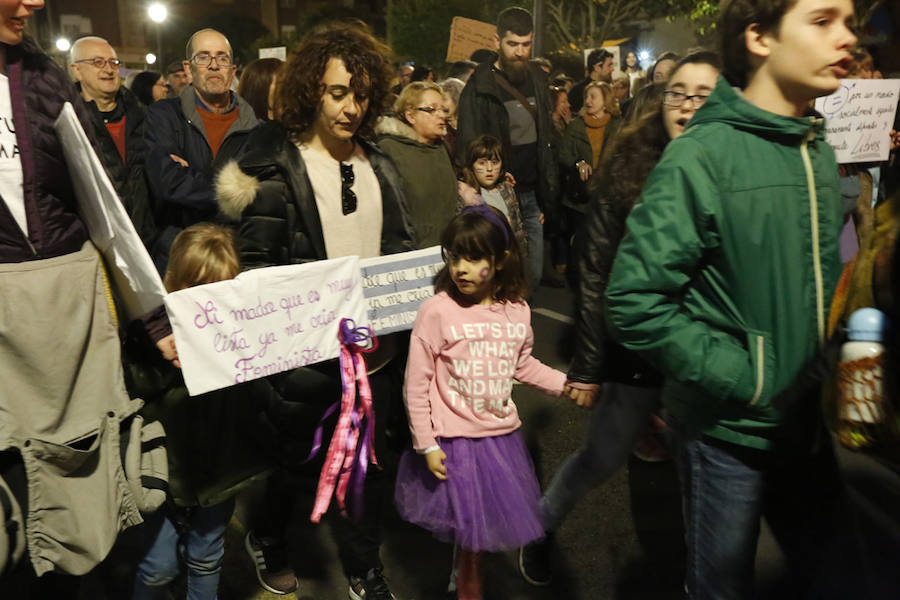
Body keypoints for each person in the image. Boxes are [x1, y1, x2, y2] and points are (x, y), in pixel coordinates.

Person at [604, 0, 866, 597]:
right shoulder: (702, 155)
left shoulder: (816, 151)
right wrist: (748, 376)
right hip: (726, 436)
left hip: (805, 426)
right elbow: (633, 301)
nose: (846, 37)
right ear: (759, 37)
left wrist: (837, 353)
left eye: (850, 21)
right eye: (823, 21)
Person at [215, 21, 415, 600]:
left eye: (360, 94)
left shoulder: (381, 164)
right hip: (305, 361)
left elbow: (399, 248)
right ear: (311, 91)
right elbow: (255, 270)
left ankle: (363, 567)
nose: (351, 107)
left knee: (366, 469)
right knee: (292, 465)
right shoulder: (280, 169)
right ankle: (269, 539)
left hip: (375, 360)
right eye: (337, 93)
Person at [518, 52, 721, 587]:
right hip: (634, 354)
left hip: (699, 356)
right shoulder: (629, 171)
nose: (690, 107)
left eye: (705, 95)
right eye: (681, 94)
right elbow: (595, 271)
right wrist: (588, 366)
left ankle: (698, 574)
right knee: (600, 457)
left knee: (703, 476)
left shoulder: (728, 166)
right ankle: (537, 530)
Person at [0, 0, 160, 594]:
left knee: (82, 475)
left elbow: (104, 207)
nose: (34, 3)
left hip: (71, 306)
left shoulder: (42, 77)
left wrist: (152, 316)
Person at [395, 205, 566, 600]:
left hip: (498, 441)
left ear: (501, 260)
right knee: (469, 530)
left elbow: (523, 365)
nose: (461, 268)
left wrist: (567, 384)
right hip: (453, 443)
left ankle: (467, 571)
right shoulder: (437, 311)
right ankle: (469, 586)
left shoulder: (517, 313)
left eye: (473, 258)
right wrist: (425, 442)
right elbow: (416, 384)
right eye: (455, 256)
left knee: (479, 531)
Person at [127, 223, 275, 600]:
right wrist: (162, 355)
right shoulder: (151, 330)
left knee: (207, 557)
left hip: (220, 472)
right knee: (158, 567)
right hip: (164, 470)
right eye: (195, 288)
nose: (206, 301)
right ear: (174, 281)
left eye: (218, 289)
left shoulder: (243, 332)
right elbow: (136, 387)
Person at [456, 6, 559, 293]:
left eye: (526, 44)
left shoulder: (538, 78)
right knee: (499, 280)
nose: (519, 52)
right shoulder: (479, 87)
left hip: (533, 195)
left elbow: (547, 140)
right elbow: (468, 143)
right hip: (498, 193)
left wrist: (548, 196)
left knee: (533, 276)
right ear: (496, 41)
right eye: (512, 44)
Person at [144, 28, 258, 274]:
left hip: (237, 258)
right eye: (204, 57)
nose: (214, 65)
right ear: (188, 69)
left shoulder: (257, 129)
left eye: (222, 58)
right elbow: (167, 182)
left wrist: (190, 176)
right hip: (180, 259)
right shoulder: (163, 116)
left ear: (233, 70)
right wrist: (237, 189)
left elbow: (265, 191)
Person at [69, 36, 157, 249]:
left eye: (113, 63)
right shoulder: (67, 124)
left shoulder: (146, 118)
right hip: (96, 246)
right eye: (98, 62)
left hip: (148, 243)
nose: (108, 69)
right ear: (76, 70)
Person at [375, 81, 457, 247]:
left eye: (443, 109)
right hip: (412, 257)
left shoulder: (442, 148)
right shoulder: (389, 150)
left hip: (447, 250)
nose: (441, 115)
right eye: (431, 109)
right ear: (410, 115)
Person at [557, 81, 621, 278]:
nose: (588, 101)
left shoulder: (617, 126)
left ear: (606, 100)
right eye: (587, 96)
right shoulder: (576, 125)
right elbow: (563, 155)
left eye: (594, 96)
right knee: (581, 239)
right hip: (580, 194)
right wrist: (578, 163)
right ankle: (580, 276)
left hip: (606, 193)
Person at [457, 134, 527, 254]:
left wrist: (521, 255)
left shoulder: (507, 190)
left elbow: (519, 229)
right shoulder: (468, 195)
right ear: (472, 165)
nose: (489, 169)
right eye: (482, 163)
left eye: (495, 162)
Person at [568, 48, 614, 114]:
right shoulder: (578, 91)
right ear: (597, 68)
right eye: (609, 65)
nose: (612, 69)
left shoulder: (608, 88)